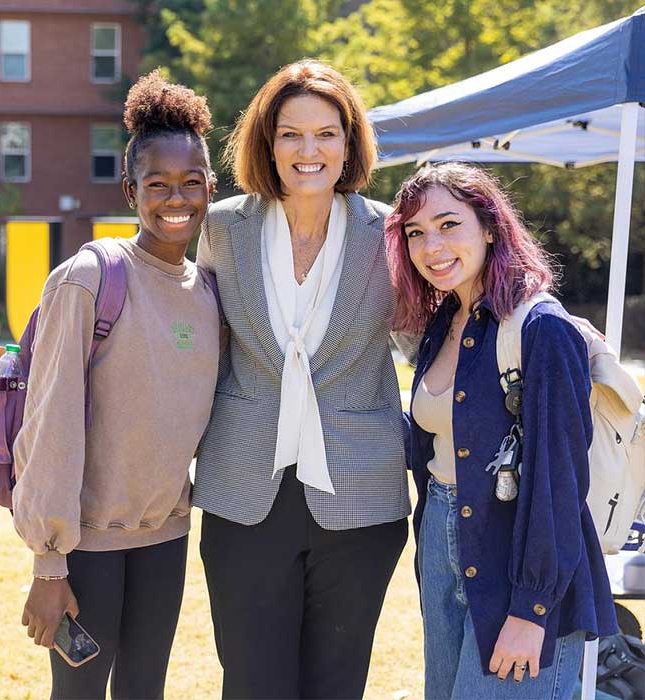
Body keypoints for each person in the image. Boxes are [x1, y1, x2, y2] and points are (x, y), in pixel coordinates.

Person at [195, 59, 411, 699]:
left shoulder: (389, 232)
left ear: (350, 143)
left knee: (336, 686)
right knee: (253, 684)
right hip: (244, 495)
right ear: (267, 141)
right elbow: (192, 333)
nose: (308, 150)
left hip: (360, 500)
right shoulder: (223, 228)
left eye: (326, 133)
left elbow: (437, 331)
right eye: (291, 133)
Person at [11, 71, 219, 700]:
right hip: (87, 545)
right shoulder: (89, 277)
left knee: (144, 690)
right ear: (132, 190)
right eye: (158, 185)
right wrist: (50, 564)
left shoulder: (209, 288)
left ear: (211, 188)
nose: (175, 199)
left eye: (191, 184)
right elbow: (48, 423)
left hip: (167, 536)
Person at [385, 162, 618, 699]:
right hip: (445, 543)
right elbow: (445, 437)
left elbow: (559, 484)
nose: (431, 246)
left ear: (489, 226)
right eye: (416, 233)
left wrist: (531, 610)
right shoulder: (444, 321)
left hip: (520, 563)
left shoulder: (543, 328)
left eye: (448, 224)